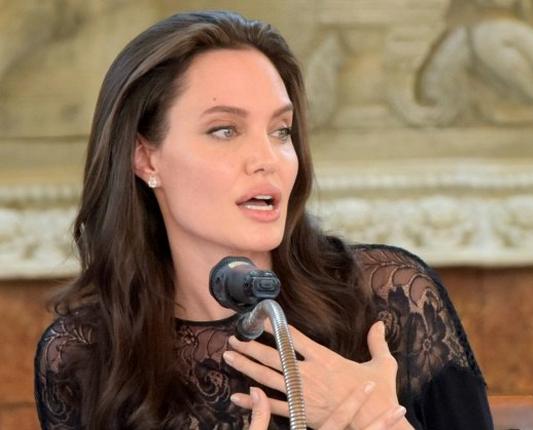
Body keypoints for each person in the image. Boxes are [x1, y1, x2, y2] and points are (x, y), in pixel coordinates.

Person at [33, 10, 493, 430]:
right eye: (225, 130)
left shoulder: (391, 297)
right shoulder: (83, 355)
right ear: (145, 157)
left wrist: (386, 424)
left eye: (280, 131)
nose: (267, 159)